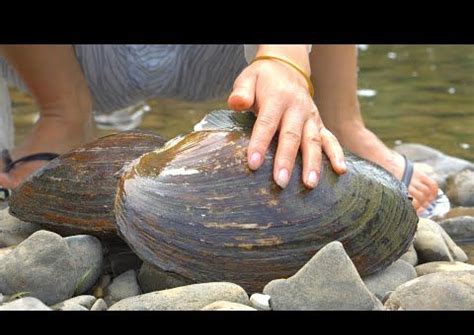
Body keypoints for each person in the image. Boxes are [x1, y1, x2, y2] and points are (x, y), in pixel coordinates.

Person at [0, 45, 439, 214]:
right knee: (61, 107)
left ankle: (343, 120)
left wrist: (284, 60)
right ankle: (62, 113)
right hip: (62, 58)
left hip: (234, 54)